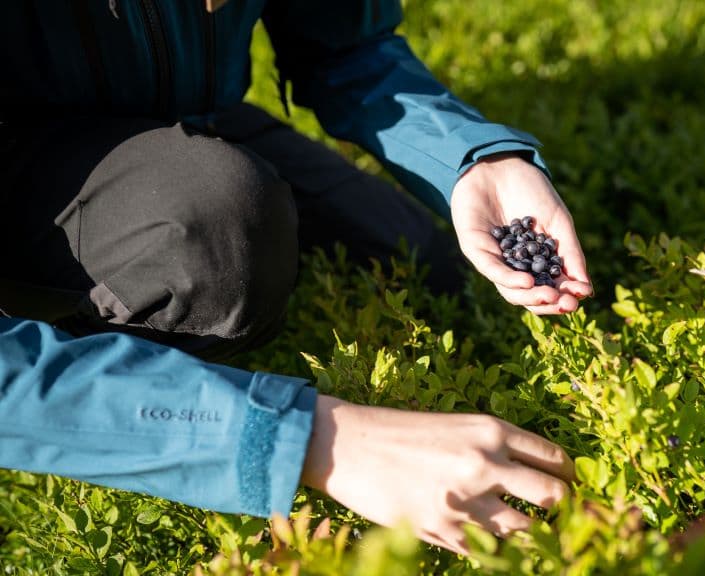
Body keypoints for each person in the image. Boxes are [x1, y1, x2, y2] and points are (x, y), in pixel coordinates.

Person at [0, 0, 592, 555]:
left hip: (184, 118)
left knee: (419, 264)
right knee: (215, 248)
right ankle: (114, 382)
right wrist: (312, 440)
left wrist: (474, 161)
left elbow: (346, 48)